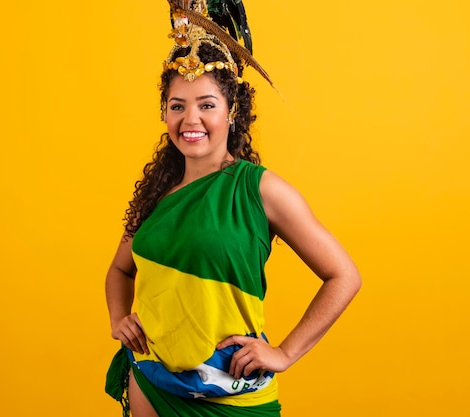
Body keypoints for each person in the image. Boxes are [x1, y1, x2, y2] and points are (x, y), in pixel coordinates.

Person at [105, 2, 361, 416]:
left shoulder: (260, 190)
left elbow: (344, 276)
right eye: (177, 105)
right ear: (164, 112)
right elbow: (120, 270)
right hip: (151, 383)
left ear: (232, 111)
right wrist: (120, 319)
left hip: (232, 394)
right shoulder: (156, 191)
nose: (191, 118)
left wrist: (285, 352)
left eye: (206, 104)